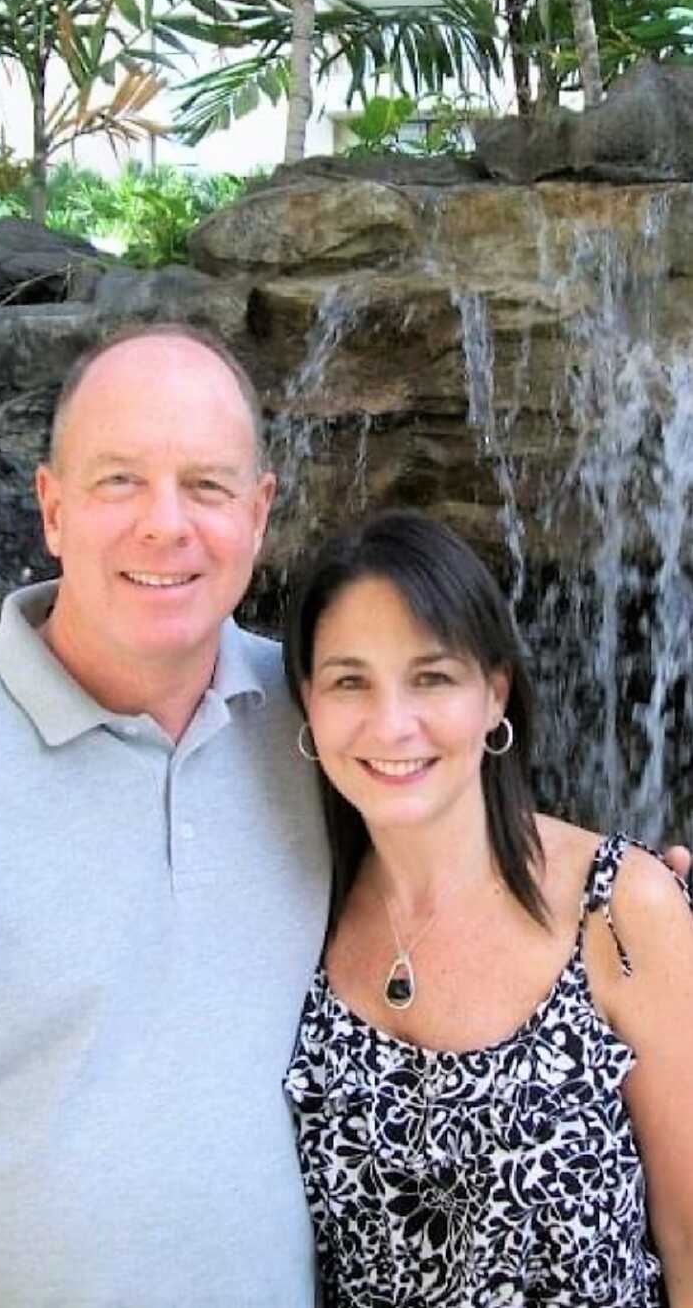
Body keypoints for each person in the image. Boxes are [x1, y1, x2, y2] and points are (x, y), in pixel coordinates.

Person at [0, 324, 331, 1308]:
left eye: (207, 485)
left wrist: (631, 894)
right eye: (118, 479)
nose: (165, 524)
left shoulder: (327, 729)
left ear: (258, 515)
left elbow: (478, 874)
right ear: (51, 507)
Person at [282, 509, 693, 1308]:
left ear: (495, 692)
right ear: (306, 701)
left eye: (431, 676)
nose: (391, 723)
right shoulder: (295, 911)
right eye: (349, 680)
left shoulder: (621, 908)